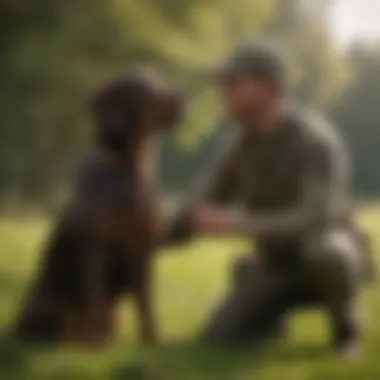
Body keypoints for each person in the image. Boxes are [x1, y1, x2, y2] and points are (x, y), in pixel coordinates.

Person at [167, 41, 369, 356]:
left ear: (268, 88)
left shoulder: (315, 140)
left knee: (328, 253)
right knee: (220, 339)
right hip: (275, 263)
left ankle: (345, 331)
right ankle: (269, 315)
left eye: (233, 82)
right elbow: (198, 203)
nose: (223, 91)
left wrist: (236, 224)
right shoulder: (239, 148)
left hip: (325, 257)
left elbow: (314, 218)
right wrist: (151, 231)